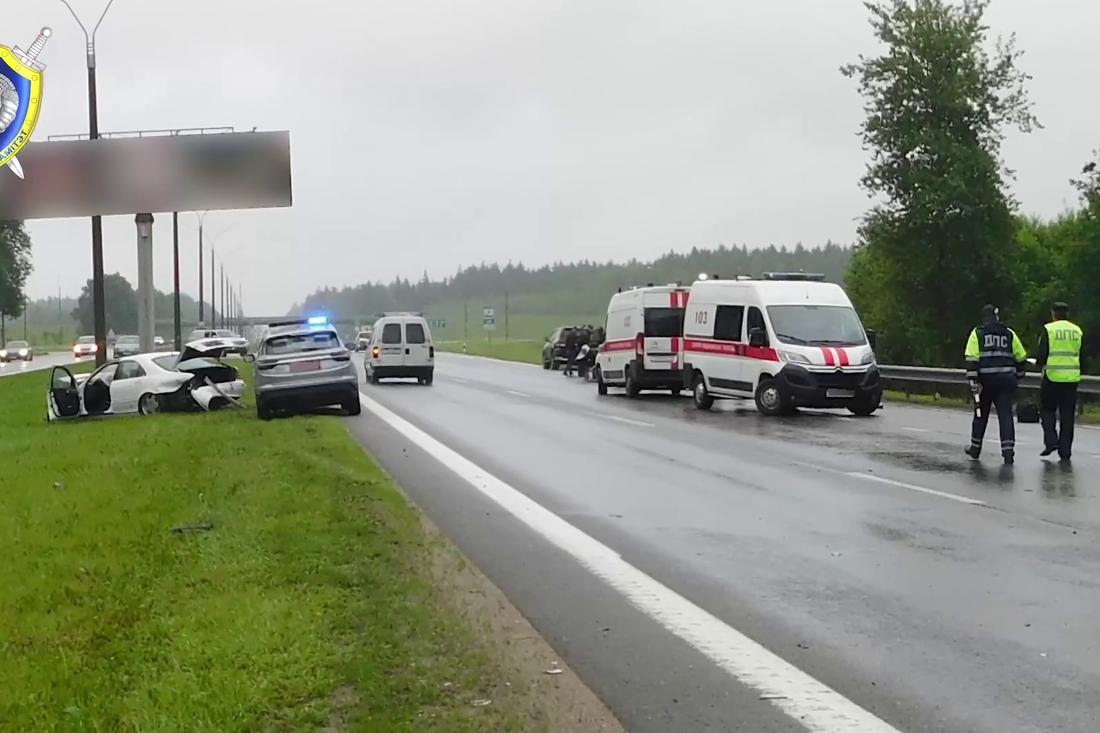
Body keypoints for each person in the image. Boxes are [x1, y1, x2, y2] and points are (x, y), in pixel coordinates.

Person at [964, 304, 1028, 465]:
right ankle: (1008, 452)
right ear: (996, 317)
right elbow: (1021, 357)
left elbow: (971, 359)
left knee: (980, 415)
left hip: (985, 382)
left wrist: (973, 381)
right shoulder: (1009, 333)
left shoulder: (978, 333)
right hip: (1006, 381)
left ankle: (975, 447)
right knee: (1005, 416)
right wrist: (1018, 376)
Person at [1035, 302, 1083, 462]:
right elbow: (1081, 354)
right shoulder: (1077, 331)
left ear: (1053, 313)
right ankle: (1065, 451)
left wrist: (1038, 364)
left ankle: (1051, 441)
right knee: (1067, 416)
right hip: (1071, 378)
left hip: (1052, 377)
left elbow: (1042, 354)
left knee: (1047, 410)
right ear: (1067, 314)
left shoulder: (1049, 329)